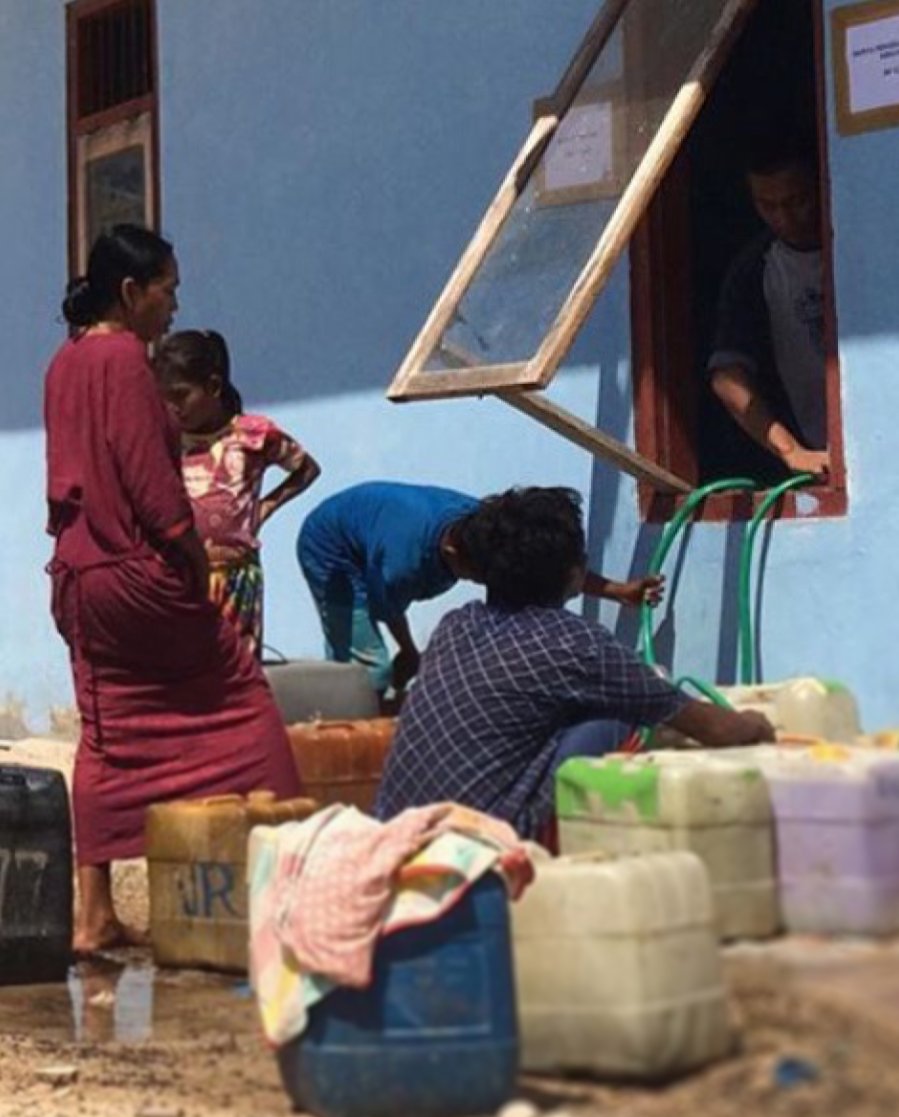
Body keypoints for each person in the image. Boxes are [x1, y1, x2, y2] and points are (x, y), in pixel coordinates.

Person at [46, 226, 303, 959]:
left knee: (107, 730)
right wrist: (193, 560)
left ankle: (93, 912)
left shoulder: (62, 363)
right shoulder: (126, 359)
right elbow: (153, 489)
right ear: (131, 292)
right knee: (242, 699)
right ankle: (288, 893)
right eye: (167, 288)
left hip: (78, 579)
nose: (173, 304)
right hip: (138, 574)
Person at [372, 486, 773, 843]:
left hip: (394, 832)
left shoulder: (456, 625)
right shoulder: (576, 644)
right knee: (623, 708)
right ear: (572, 571)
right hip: (483, 845)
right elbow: (715, 728)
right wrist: (759, 726)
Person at [293, 481, 660, 704]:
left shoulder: (490, 526)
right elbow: (387, 606)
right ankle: (348, 734)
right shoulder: (405, 565)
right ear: (452, 556)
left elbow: (547, 560)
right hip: (332, 550)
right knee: (369, 669)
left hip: (378, 533)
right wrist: (407, 649)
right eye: (478, 576)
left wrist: (620, 590)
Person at [154, 328, 319, 642]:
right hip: (181, 575)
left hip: (236, 577)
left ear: (213, 386)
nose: (174, 408)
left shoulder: (253, 435)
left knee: (238, 668)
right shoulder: (168, 439)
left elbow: (306, 469)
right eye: (166, 400)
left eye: (180, 396)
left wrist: (266, 506)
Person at [707, 144, 837, 481]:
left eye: (797, 201)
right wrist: (792, 451)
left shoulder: (854, 245)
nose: (784, 218)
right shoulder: (753, 269)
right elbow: (727, 377)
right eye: (767, 205)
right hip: (810, 452)